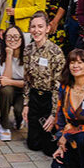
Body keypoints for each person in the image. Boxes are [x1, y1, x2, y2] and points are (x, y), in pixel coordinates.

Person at [50, 50, 84, 168]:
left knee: (81, 139)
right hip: (70, 133)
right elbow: (60, 116)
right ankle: (77, 161)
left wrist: (67, 135)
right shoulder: (65, 87)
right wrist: (61, 138)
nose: (75, 66)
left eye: (80, 62)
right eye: (72, 62)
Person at [23, 12, 66, 156]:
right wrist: (26, 104)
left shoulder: (56, 52)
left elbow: (58, 86)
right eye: (33, 27)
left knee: (49, 149)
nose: (36, 30)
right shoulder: (28, 50)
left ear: (47, 28)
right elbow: (27, 80)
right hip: (35, 97)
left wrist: (54, 114)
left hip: (50, 99)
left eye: (40, 26)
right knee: (33, 145)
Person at [0, 24, 26, 141]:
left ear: (21, 39)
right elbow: (4, 81)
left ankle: (19, 119)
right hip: (9, 88)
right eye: (9, 37)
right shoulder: (0, 54)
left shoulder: (27, 55)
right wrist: (9, 55)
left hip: (24, 89)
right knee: (6, 90)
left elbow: (29, 83)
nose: (12, 40)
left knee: (19, 110)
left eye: (15, 37)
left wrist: (11, 81)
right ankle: (4, 125)